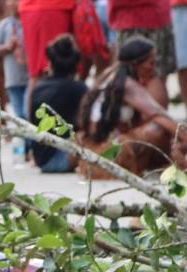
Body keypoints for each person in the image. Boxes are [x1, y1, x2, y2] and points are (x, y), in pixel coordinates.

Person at [79, 37, 186, 178]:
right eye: (151, 63)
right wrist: (183, 136)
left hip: (94, 155)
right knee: (158, 129)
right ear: (136, 64)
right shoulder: (127, 84)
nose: (153, 68)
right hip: (104, 156)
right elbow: (159, 115)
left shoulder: (110, 74)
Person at [28, 35, 88, 173]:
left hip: (40, 160)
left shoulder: (38, 86)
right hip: (60, 160)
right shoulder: (78, 88)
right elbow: (88, 123)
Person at [0, 0, 30, 117]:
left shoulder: (30, 22)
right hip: (13, 79)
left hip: (31, 79)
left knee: (29, 113)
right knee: (20, 115)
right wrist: (7, 47)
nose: (12, 3)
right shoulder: (5, 24)